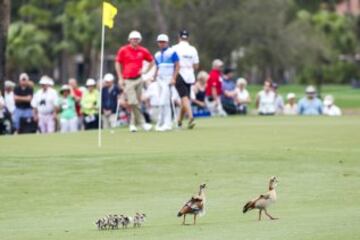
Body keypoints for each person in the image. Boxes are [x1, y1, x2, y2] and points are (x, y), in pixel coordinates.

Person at [115, 30, 154, 132]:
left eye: (137, 39)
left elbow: (152, 61)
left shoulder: (143, 50)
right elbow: (118, 63)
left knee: (137, 103)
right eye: (133, 39)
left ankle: (132, 125)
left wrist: (146, 70)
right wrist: (120, 77)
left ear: (139, 40)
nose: (135, 41)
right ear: (129, 40)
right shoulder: (123, 50)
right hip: (128, 80)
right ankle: (143, 123)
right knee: (132, 101)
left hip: (139, 79)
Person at [172, 30, 199, 129]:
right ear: (188, 37)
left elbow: (172, 62)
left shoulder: (174, 48)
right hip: (189, 74)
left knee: (184, 98)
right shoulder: (193, 49)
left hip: (179, 73)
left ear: (179, 37)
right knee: (185, 97)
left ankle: (190, 118)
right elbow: (196, 66)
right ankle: (180, 121)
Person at [153, 34, 180, 131]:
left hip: (168, 79)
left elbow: (177, 66)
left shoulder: (172, 52)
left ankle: (166, 123)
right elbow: (157, 66)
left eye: (163, 42)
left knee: (163, 102)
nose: (161, 44)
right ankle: (164, 123)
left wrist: (173, 78)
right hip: (159, 80)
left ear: (167, 42)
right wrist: (154, 76)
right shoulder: (157, 54)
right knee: (163, 102)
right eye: (160, 42)